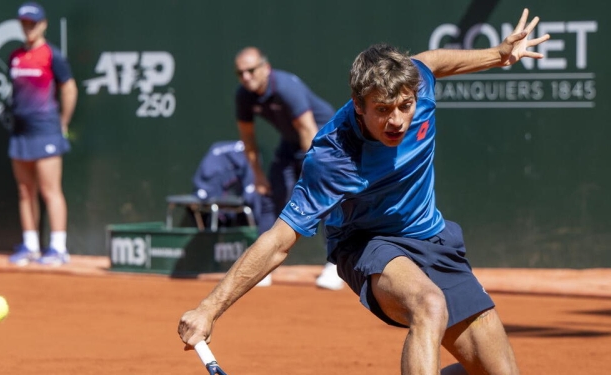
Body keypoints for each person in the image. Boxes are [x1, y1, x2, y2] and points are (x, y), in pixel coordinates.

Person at [179, 8, 549, 374]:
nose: (397, 120)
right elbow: (278, 241)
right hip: (367, 244)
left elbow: (432, 61)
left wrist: (498, 56)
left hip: (432, 236)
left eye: (405, 106)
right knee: (429, 305)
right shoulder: (332, 157)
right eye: (383, 109)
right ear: (358, 105)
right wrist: (209, 308)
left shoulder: (416, 83)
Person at [233, 46, 344, 290]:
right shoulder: (244, 95)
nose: (246, 77)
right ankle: (262, 266)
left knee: (324, 198)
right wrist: (258, 176)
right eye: (240, 73)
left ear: (265, 68)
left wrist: (315, 172)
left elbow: (308, 130)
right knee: (271, 197)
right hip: (291, 142)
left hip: (324, 138)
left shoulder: (285, 87)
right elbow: (248, 140)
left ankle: (336, 266)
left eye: (251, 71)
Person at [7, 2, 77, 266]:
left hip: (46, 130)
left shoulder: (52, 55)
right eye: (24, 23)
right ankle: (31, 246)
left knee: (50, 191)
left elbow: (69, 89)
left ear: (43, 25)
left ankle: (58, 248)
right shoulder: (14, 56)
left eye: (33, 23)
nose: (28, 28)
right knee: (25, 191)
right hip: (20, 132)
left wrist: (63, 122)